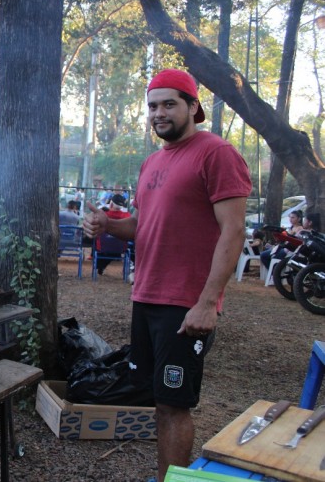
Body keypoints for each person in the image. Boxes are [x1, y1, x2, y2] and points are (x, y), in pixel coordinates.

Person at [83, 69, 251, 482]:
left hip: (185, 303)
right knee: (158, 402)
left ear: (193, 106)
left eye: (169, 104)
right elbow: (140, 225)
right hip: (147, 296)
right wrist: (108, 224)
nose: (159, 113)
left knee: (176, 405)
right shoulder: (153, 161)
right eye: (153, 106)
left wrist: (208, 302)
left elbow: (234, 230)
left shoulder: (217, 153)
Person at [94, 194, 131, 275]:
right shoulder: (127, 216)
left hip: (102, 247)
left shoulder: (103, 215)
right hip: (120, 248)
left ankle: (99, 265)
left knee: (95, 240)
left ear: (110, 204)